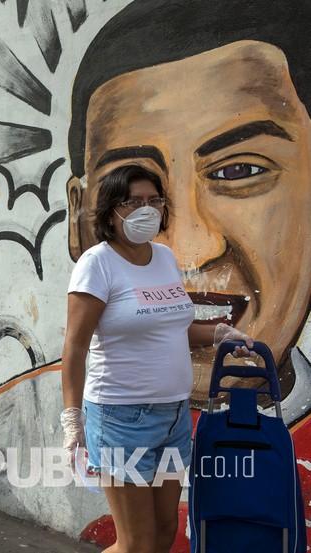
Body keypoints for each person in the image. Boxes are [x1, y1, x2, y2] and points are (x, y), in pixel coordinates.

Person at [65, 0, 311, 409]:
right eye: (125, 193)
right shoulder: (13, 423)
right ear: (77, 220)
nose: (188, 250)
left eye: (239, 172)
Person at [61, 165, 252, 553]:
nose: (145, 209)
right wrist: (72, 418)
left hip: (174, 417)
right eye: (133, 202)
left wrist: (218, 333)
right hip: (120, 419)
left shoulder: (163, 258)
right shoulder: (97, 265)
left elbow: (170, 328)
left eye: (154, 201)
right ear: (111, 211)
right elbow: (75, 347)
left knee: (165, 534)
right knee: (136, 545)